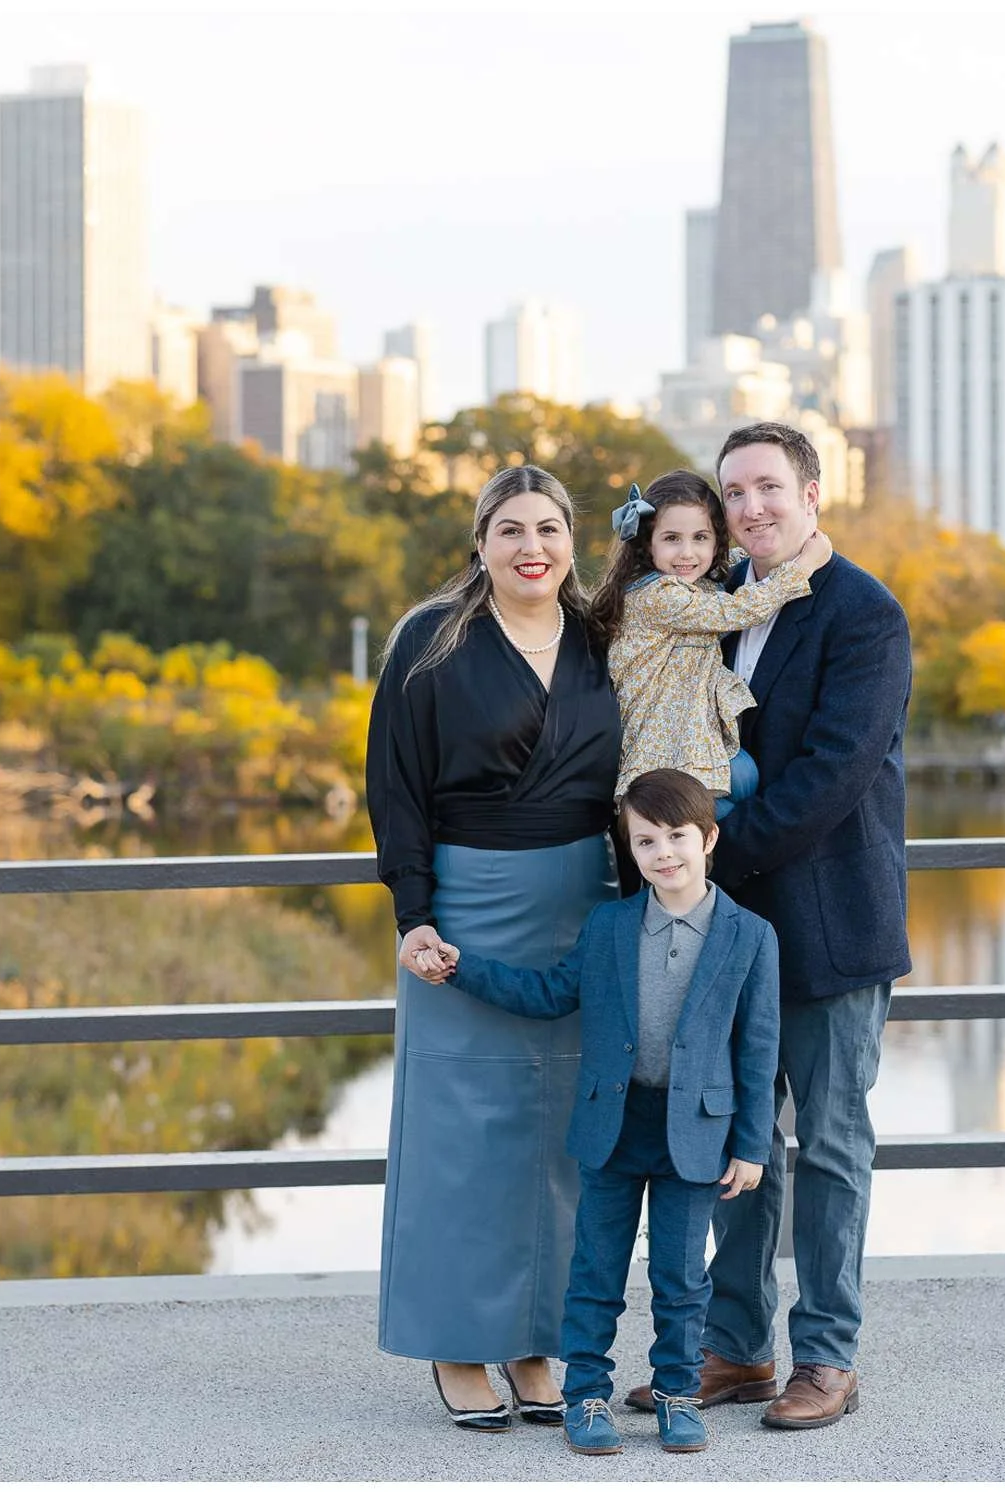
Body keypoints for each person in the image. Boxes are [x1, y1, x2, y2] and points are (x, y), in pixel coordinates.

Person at [624, 421, 912, 1430]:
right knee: (737, 1137)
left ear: (813, 493)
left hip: (830, 924)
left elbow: (832, 776)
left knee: (829, 1144)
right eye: (734, 492)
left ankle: (826, 1356)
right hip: (730, 933)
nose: (750, 507)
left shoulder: (865, 614)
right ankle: (737, 1349)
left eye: (768, 489)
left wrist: (704, 860)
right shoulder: (713, 606)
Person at [410, 769, 780, 1456]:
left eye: (677, 837)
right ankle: (586, 1396)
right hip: (613, 1127)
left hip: (694, 1135)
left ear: (710, 837)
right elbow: (550, 992)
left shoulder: (751, 936)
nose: (664, 853)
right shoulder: (609, 925)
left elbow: (758, 1050)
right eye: (645, 841)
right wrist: (463, 968)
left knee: (680, 1276)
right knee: (596, 1273)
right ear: (629, 849)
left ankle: (677, 1394)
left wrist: (752, 1146)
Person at [365, 464, 623, 1433]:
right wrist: (414, 914)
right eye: (510, 529)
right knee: (461, 1131)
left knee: (564, 1138)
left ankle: (536, 1339)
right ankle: (456, 1341)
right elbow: (394, 788)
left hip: (584, 904)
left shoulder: (606, 638)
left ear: (572, 541)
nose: (532, 548)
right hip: (463, 909)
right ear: (479, 541)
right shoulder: (430, 642)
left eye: (550, 529)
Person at [591, 470, 831, 812]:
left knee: (746, 776)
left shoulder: (691, 584)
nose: (687, 553)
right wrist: (804, 565)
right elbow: (739, 610)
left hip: (692, 740)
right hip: (664, 752)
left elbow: (727, 567)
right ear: (648, 543)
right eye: (672, 538)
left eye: (701, 538)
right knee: (720, 819)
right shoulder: (658, 596)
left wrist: (768, 549)